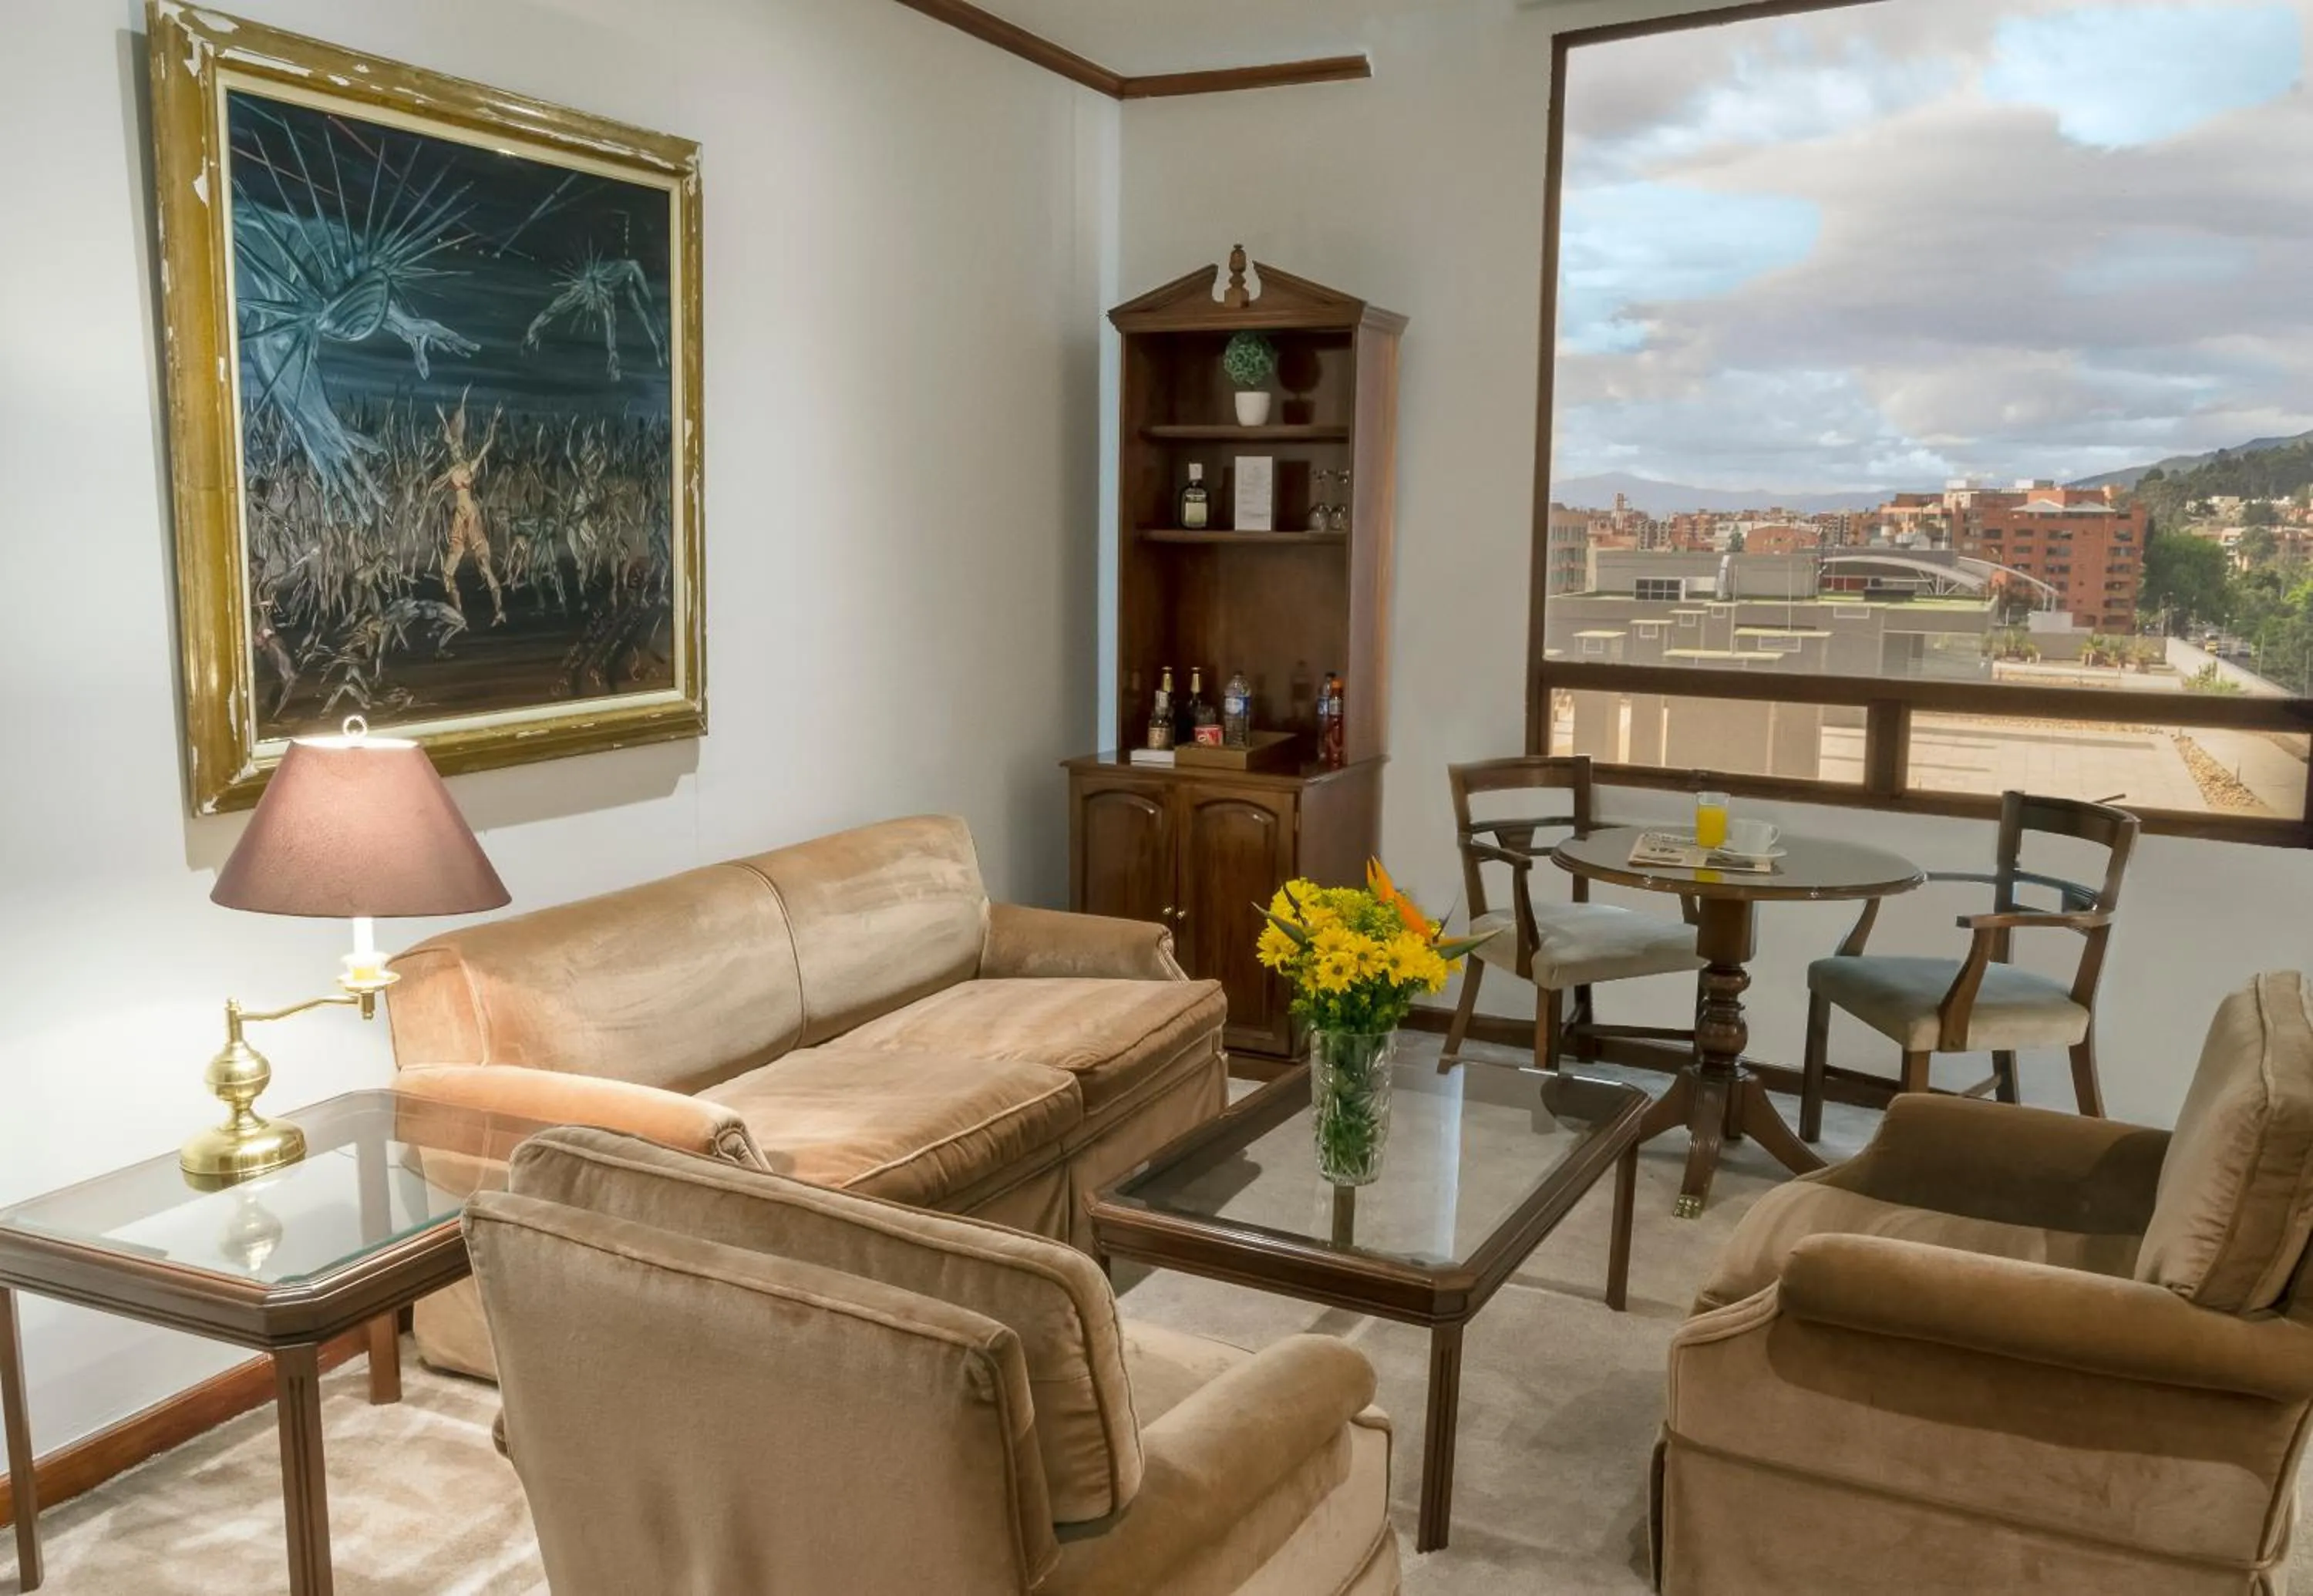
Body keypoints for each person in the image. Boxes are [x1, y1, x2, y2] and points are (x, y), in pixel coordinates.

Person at [433, 396, 507, 626]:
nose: (456, 451)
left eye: (458, 448)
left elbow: (486, 447)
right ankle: (460, 615)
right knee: (448, 572)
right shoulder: (452, 471)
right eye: (453, 449)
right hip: (460, 516)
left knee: (484, 565)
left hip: (471, 515)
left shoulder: (468, 467)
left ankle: (499, 611)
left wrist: (493, 425)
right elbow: (435, 486)